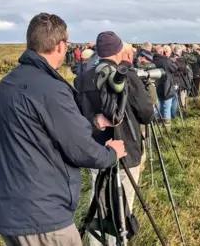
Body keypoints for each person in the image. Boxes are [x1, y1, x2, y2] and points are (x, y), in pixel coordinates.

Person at [0, 13, 127, 246]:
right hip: (43, 215)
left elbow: (38, 129)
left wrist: (95, 122)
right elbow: (80, 150)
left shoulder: (9, 83)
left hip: (10, 207)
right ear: (61, 45)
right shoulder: (51, 88)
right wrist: (111, 154)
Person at [74, 32, 154, 246]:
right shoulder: (130, 77)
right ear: (119, 52)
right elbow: (147, 114)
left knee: (98, 199)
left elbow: (79, 115)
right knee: (123, 202)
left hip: (95, 149)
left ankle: (96, 242)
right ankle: (119, 241)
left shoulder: (82, 79)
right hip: (127, 151)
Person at [153, 45, 178, 129]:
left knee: (157, 108)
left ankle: (157, 127)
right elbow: (174, 68)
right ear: (162, 52)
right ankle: (167, 129)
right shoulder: (165, 60)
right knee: (166, 108)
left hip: (155, 87)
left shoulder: (151, 60)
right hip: (166, 87)